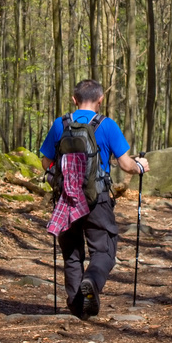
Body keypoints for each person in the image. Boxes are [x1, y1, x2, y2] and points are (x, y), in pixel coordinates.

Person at [40, 79, 149, 319]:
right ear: (100, 100)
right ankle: (91, 281)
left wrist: (57, 177)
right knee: (104, 251)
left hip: (67, 197)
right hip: (97, 198)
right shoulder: (107, 125)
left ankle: (77, 307)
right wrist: (140, 166)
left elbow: (46, 161)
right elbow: (125, 164)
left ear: (74, 99)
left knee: (72, 252)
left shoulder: (61, 124)